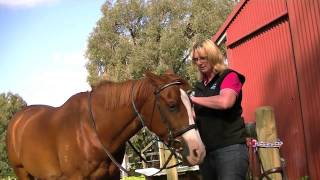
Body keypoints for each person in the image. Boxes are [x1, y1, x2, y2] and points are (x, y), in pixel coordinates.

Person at [189, 39, 248, 180]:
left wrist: (192, 99)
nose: (199, 63)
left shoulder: (229, 76)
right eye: (196, 59)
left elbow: (225, 102)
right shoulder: (199, 87)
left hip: (230, 150)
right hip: (207, 154)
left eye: (203, 58)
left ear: (213, 56)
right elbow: (195, 116)